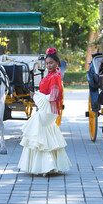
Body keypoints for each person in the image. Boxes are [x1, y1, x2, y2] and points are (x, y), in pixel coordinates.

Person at [18, 47, 71, 176]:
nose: (49, 65)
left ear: (57, 63)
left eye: (51, 63)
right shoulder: (52, 75)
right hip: (48, 109)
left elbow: (53, 97)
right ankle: (49, 165)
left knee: (38, 132)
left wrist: (35, 96)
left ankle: (46, 166)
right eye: (47, 63)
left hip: (49, 109)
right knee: (45, 133)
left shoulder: (55, 77)